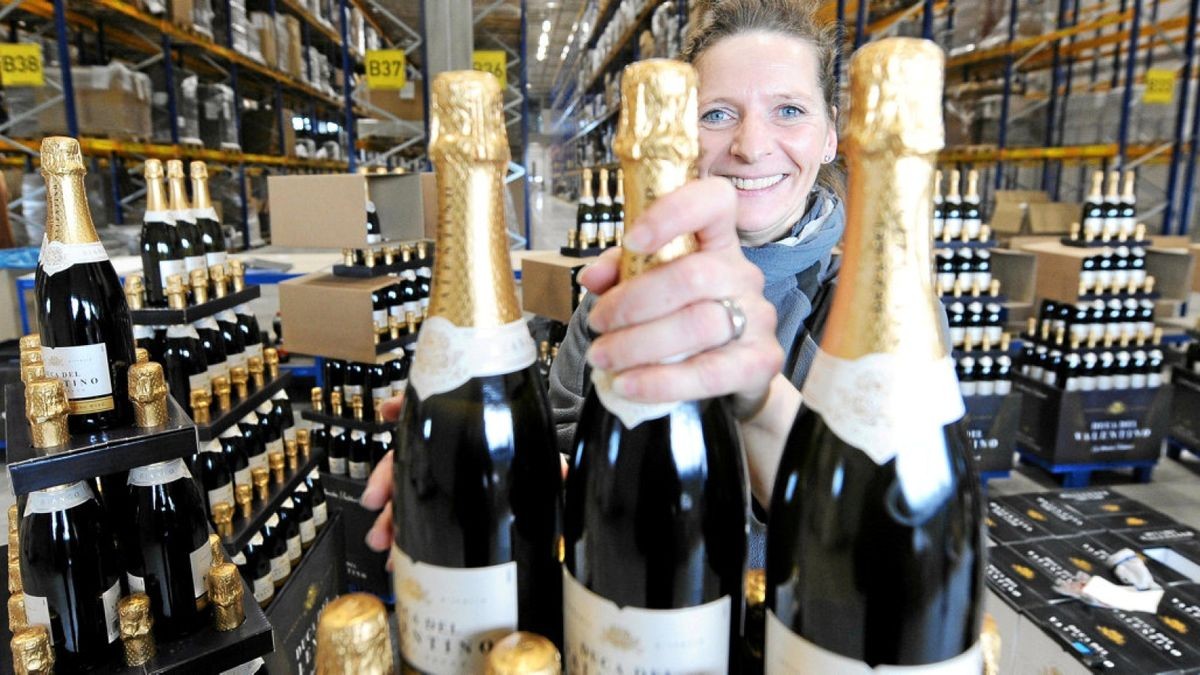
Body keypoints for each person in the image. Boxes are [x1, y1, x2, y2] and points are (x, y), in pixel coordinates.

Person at [361, 0, 843, 554]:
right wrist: (487, 463)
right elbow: (566, 454)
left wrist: (758, 397)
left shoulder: (870, 316)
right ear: (680, 137)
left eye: (789, 110)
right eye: (717, 114)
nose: (752, 145)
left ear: (829, 133)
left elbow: (886, 554)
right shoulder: (614, 298)